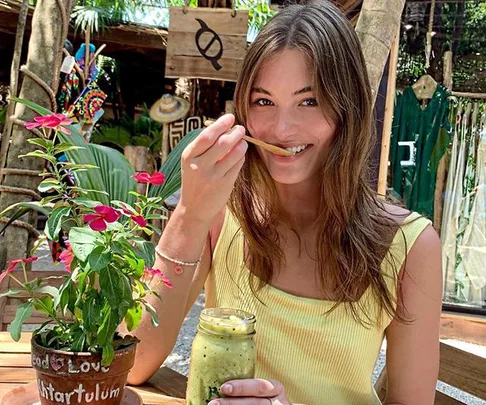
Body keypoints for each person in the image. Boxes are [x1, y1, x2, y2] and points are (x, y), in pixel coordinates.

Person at [126, 1, 442, 404]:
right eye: (263, 101)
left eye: (308, 101)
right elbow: (133, 361)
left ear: (348, 108)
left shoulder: (410, 247)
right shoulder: (223, 213)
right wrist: (190, 213)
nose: (281, 129)